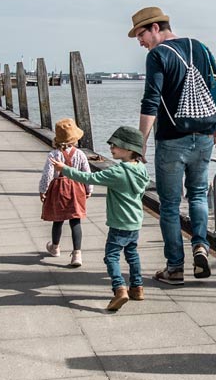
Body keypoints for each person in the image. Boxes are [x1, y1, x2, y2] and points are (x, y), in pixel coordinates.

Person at [129, 6, 216, 286]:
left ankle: (174, 268)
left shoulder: (157, 55)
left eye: (141, 35)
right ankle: (200, 246)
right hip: (205, 136)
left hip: (172, 140)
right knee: (197, 195)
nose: (140, 42)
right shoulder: (201, 47)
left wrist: (140, 144)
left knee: (170, 206)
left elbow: (150, 101)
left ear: (156, 28)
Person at [53, 125, 151, 311]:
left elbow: (89, 178)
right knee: (132, 253)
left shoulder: (118, 172)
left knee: (111, 256)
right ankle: (137, 288)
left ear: (129, 149)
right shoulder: (142, 169)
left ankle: (119, 289)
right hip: (135, 221)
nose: (111, 148)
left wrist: (64, 169)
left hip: (119, 223)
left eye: (115, 145)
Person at [39, 118, 92, 267]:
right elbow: (86, 173)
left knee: (58, 219)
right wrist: (89, 190)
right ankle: (77, 254)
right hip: (76, 188)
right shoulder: (80, 154)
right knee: (75, 220)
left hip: (58, 189)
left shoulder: (54, 154)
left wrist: (43, 190)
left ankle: (55, 247)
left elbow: (47, 175)